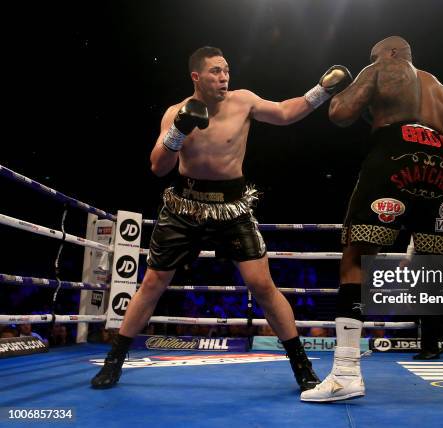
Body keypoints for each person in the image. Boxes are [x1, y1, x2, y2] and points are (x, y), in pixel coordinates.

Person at [91, 46, 352, 390]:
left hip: (233, 207)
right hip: (185, 206)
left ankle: (302, 367)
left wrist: (323, 91)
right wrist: (179, 132)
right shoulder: (175, 113)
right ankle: (114, 362)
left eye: (226, 70)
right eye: (215, 71)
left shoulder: (243, 101)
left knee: (261, 285)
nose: (224, 77)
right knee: (153, 283)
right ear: (196, 77)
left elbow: (286, 113)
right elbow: (158, 167)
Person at [301, 36, 443, 403]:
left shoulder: (381, 68)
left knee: (357, 258)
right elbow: (407, 123)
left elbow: (340, 115)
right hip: (440, 164)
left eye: (372, 56)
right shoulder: (439, 87)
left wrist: (339, 89)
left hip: (393, 160)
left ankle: (345, 373)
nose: (371, 62)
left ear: (390, 54)